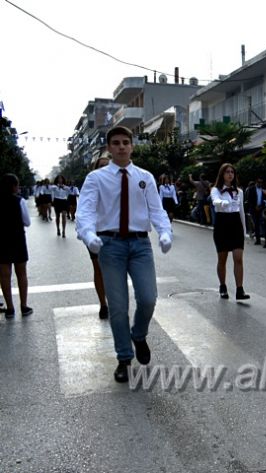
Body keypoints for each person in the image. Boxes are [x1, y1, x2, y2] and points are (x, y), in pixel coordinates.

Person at [76, 126, 173, 383]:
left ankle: (138, 334)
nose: (121, 146)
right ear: (109, 148)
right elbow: (84, 210)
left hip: (140, 245)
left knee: (148, 298)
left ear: (132, 146)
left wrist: (164, 232)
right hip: (110, 245)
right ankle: (123, 357)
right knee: (118, 307)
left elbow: (157, 210)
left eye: (125, 142)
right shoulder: (96, 178)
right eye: (116, 143)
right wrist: (88, 234)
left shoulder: (145, 177)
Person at [210, 163, 250, 301]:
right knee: (222, 259)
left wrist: (245, 231)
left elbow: (242, 213)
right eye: (227, 172)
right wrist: (223, 203)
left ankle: (240, 289)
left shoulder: (239, 192)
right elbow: (215, 201)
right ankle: (222, 286)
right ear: (222, 174)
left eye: (232, 172)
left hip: (236, 224)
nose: (230, 174)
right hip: (222, 224)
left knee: (238, 258)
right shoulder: (216, 190)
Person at [0, 173, 33, 318]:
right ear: (14, 186)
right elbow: (27, 222)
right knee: (22, 274)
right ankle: (24, 306)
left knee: (4, 276)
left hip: (1, 240)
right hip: (17, 238)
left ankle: (10, 308)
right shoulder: (20, 201)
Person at [89, 156, 111, 319]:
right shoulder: (91, 185)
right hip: (96, 232)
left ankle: (115, 301)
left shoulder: (118, 184)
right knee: (98, 267)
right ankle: (103, 304)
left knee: (114, 269)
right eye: (101, 166)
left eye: (107, 166)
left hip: (115, 233)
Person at [246, 178, 265, 245]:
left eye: (261, 182)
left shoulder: (262, 190)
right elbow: (249, 199)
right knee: (255, 223)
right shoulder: (252, 189)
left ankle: (258, 238)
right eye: (258, 182)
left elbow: (264, 199)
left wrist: (261, 206)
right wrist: (254, 206)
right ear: (256, 182)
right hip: (254, 208)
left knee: (258, 223)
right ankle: (257, 238)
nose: (260, 184)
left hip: (260, 208)